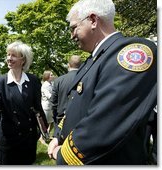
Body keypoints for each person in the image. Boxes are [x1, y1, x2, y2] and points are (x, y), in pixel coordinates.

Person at [48, 0, 157, 165]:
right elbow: (73, 108)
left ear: (93, 20)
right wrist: (58, 136)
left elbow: (104, 123)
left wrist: (63, 155)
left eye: (73, 28)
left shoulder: (132, 53)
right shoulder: (92, 61)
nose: (71, 35)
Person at [0, 41, 48, 165]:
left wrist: (44, 128)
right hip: (8, 140)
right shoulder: (0, 82)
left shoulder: (33, 80)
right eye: (8, 55)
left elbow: (37, 107)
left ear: (23, 59)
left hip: (29, 139)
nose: (9, 58)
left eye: (13, 55)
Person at [51, 55, 82, 126]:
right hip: (79, 118)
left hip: (62, 118)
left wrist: (56, 116)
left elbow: (53, 102)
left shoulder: (58, 80)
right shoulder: (86, 78)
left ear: (68, 65)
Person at [41, 70, 54, 141]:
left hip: (51, 106)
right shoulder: (45, 85)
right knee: (45, 123)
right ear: (47, 76)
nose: (53, 76)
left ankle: (47, 135)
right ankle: (42, 138)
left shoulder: (51, 83)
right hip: (46, 107)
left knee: (51, 122)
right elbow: (49, 96)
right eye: (51, 75)